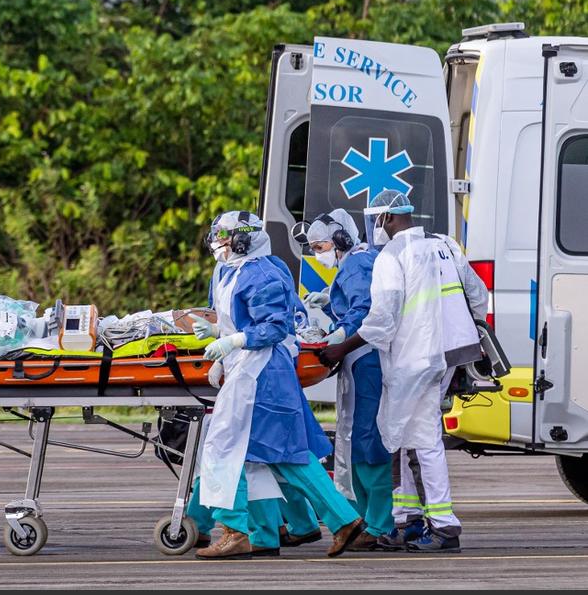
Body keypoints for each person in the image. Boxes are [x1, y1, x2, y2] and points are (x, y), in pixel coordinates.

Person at [188, 210, 363, 560]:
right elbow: (230, 318)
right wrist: (221, 343)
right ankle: (277, 530)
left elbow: (274, 327)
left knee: (226, 447)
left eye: (224, 237)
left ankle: (235, 530)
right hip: (250, 368)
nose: (218, 243)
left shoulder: (264, 273)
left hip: (262, 371)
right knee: (273, 453)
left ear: (242, 239)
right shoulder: (228, 269)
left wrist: (231, 343)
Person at [319, 190, 488, 553]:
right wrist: (471, 330)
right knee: (410, 437)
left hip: (413, 359)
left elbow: (381, 320)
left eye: (375, 221)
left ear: (386, 219)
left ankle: (443, 527)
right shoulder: (444, 244)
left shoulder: (392, 256)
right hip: (447, 354)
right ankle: (408, 519)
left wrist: (340, 348)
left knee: (411, 437)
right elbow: (477, 293)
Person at [300, 209, 393, 551]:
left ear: (341, 240)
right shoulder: (358, 261)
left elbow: (364, 310)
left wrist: (338, 338)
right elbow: (352, 306)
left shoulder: (355, 264)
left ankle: (378, 522)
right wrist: (329, 304)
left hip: (367, 360)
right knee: (357, 435)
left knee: (368, 438)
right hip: (363, 359)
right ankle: (363, 517)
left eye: (321, 246)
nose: (318, 254)